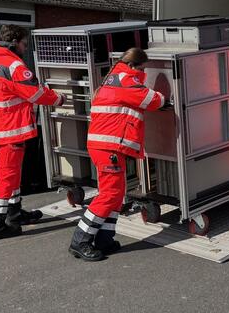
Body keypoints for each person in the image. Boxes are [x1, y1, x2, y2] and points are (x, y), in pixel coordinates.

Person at [69, 47, 166, 261]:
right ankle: (80, 241)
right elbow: (152, 100)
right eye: (142, 69)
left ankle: (105, 239)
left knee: (116, 193)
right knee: (109, 194)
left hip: (107, 146)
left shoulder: (114, 78)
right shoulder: (125, 79)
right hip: (108, 147)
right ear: (132, 65)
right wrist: (163, 97)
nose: (143, 73)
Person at [0, 24, 67, 241]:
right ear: (14, 42)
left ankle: (15, 213)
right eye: (24, 44)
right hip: (13, 128)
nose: (25, 48)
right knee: (7, 176)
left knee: (12, 173)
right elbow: (34, 93)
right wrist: (58, 99)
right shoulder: (14, 65)